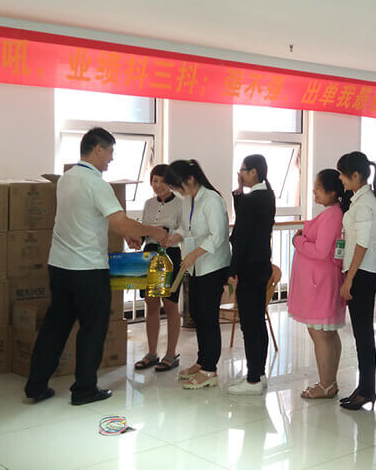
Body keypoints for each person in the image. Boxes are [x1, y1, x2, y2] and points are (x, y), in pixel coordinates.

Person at [25, 127, 167, 406]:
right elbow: (120, 222)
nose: (111, 158)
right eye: (110, 152)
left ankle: (36, 386)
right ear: (98, 149)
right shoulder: (97, 184)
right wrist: (153, 231)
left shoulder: (66, 179)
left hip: (60, 266)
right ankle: (84, 389)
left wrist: (127, 233)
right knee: (92, 328)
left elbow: (92, 218)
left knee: (55, 326)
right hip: (88, 269)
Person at [162, 160, 231, 390]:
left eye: (177, 186)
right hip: (194, 266)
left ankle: (209, 370)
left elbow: (218, 235)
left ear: (190, 179)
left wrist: (195, 253)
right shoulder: (189, 200)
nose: (177, 191)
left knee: (208, 318)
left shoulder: (211, 199)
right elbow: (186, 227)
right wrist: (176, 236)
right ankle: (202, 361)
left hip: (212, 266)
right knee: (199, 316)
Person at [289, 169, 348, 399]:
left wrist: (299, 240)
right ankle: (329, 382)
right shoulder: (331, 213)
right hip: (320, 281)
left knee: (321, 333)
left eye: (318, 187)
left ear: (332, 192)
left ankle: (326, 384)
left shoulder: (332, 215)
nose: (314, 191)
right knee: (327, 333)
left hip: (320, 283)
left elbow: (321, 251)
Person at [336, 151, 376, 411]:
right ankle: (364, 388)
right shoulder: (362, 199)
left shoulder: (365, 203)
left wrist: (349, 279)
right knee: (362, 335)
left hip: (363, 273)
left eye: (342, 175)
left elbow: (363, 244)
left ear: (355, 175)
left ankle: (367, 390)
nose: (340, 179)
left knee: (364, 336)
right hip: (363, 271)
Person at [226, 154, 276, 395]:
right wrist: (239, 193)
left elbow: (240, 238)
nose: (240, 174)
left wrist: (232, 270)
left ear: (253, 171)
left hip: (249, 266)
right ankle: (259, 373)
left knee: (250, 324)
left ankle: (253, 379)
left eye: (243, 170)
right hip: (262, 264)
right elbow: (245, 219)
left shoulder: (252, 200)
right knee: (257, 321)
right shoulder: (267, 194)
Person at [134, 164, 184, 374]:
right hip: (150, 254)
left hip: (170, 254)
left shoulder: (181, 204)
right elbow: (144, 229)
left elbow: (184, 229)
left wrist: (169, 235)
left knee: (170, 305)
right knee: (151, 304)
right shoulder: (148, 203)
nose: (158, 185)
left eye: (163, 181)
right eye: (155, 181)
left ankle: (171, 355)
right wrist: (138, 237)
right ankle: (152, 353)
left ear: (171, 183)